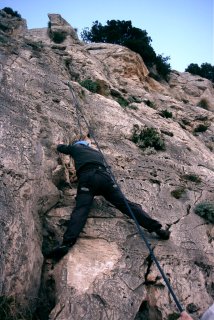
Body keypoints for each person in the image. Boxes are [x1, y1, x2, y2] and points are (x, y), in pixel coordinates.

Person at [46, 135, 170, 260]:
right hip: (105, 179)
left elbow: (61, 148)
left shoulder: (75, 148)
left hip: (88, 178)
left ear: (78, 145)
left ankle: (66, 244)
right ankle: (157, 229)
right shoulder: (97, 153)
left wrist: (59, 144)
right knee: (126, 204)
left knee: (81, 209)